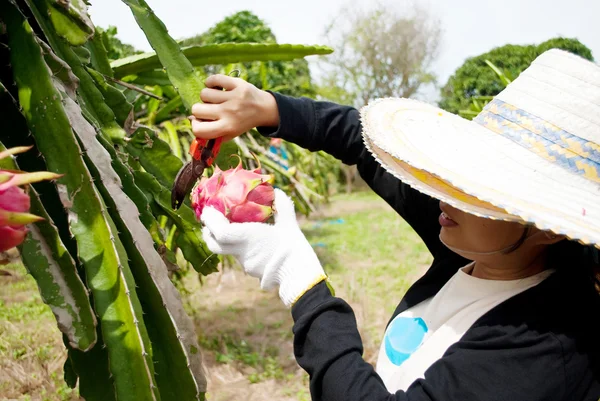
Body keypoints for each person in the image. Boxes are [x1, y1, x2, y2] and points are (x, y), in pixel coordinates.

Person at [189, 49, 600, 400]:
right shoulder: (478, 239)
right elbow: (363, 144)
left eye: (483, 187)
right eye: (463, 173)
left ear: (548, 226)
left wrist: (299, 280)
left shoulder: (543, 349)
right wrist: (270, 109)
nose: (447, 192)